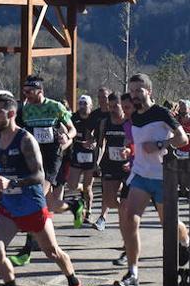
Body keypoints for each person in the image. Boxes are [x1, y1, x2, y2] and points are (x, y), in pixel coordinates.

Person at [0, 94, 82, 286]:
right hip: (10, 205)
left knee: (52, 252)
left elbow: (39, 175)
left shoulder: (25, 139)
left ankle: (74, 284)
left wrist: (12, 182)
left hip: (32, 204)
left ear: (11, 113)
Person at [115, 74, 189, 286]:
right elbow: (138, 142)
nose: (135, 95)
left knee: (170, 224)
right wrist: (129, 151)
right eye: (132, 90)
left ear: (149, 91)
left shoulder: (161, 113)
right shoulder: (134, 116)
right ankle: (133, 273)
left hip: (162, 176)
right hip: (140, 175)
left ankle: (185, 241)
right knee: (130, 219)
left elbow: (182, 139)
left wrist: (159, 144)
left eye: (139, 90)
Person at [18, 75, 77, 239]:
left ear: (40, 90)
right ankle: (74, 205)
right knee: (49, 203)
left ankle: (32, 239)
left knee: (37, 194)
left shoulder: (55, 106)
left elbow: (73, 129)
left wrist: (67, 137)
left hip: (53, 155)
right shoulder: (25, 109)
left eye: (30, 91)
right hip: (34, 155)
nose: (26, 94)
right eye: (24, 91)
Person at [94, 94, 132, 232]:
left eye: (116, 106)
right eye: (110, 107)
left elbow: (135, 142)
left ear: (122, 105)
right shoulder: (105, 122)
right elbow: (100, 143)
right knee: (109, 200)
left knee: (124, 204)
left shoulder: (129, 122)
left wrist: (129, 152)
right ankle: (126, 211)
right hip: (109, 163)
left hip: (127, 165)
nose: (113, 109)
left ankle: (127, 234)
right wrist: (96, 162)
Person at [63, 94, 100, 228]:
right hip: (77, 153)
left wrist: (94, 143)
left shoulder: (94, 118)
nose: (82, 106)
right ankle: (81, 191)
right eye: (81, 104)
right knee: (72, 185)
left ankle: (88, 212)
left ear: (90, 105)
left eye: (85, 104)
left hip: (91, 155)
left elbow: (101, 136)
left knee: (88, 187)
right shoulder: (74, 117)